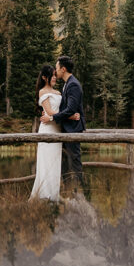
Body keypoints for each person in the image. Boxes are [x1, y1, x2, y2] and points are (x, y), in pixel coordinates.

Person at [42, 55, 85, 185]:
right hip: (66, 128)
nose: (55, 71)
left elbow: (71, 109)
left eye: (57, 68)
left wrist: (52, 117)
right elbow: (66, 109)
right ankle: (67, 190)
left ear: (63, 69)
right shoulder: (67, 84)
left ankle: (82, 191)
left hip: (73, 129)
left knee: (75, 160)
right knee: (64, 162)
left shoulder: (73, 85)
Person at [30, 65, 63, 201]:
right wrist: (69, 116)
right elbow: (49, 112)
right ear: (44, 77)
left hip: (58, 130)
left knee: (55, 163)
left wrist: (62, 115)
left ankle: (54, 195)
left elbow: (56, 112)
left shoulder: (59, 93)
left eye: (55, 75)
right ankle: (44, 196)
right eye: (52, 75)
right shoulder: (42, 92)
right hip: (47, 130)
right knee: (46, 163)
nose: (55, 77)